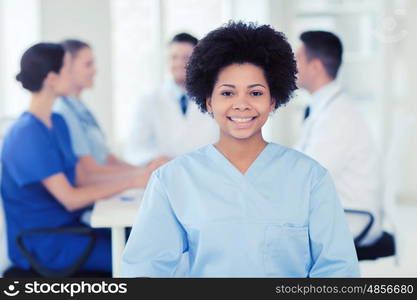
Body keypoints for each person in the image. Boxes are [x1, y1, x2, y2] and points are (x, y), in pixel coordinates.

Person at [121, 22, 360, 277]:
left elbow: (338, 271)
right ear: (209, 101)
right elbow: (144, 270)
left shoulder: (311, 179)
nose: (242, 105)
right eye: (227, 93)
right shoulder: (172, 181)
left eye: (255, 93)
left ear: (273, 101)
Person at [1, 43, 148, 274]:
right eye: (68, 70)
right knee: (142, 261)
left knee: (147, 242)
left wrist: (141, 174)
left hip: (73, 229)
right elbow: (70, 198)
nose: (73, 77)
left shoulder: (57, 122)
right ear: (51, 78)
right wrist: (133, 181)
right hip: (47, 244)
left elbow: (83, 177)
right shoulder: (26, 134)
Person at [294, 31, 382, 246]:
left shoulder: (337, 116)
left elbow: (310, 176)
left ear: (314, 66)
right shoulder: (326, 107)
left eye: (297, 61)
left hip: (351, 217)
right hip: (334, 210)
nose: (292, 68)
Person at [53, 39, 160, 177]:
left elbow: (107, 158)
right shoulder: (63, 111)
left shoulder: (81, 108)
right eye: (88, 64)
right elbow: (89, 169)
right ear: (67, 67)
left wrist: (149, 170)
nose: (95, 70)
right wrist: (142, 174)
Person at [125, 33, 218, 166]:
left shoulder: (214, 97)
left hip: (206, 172)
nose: (179, 63)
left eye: (186, 57)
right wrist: (155, 158)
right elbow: (135, 149)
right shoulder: (149, 100)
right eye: (174, 57)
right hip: (166, 175)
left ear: (198, 61)